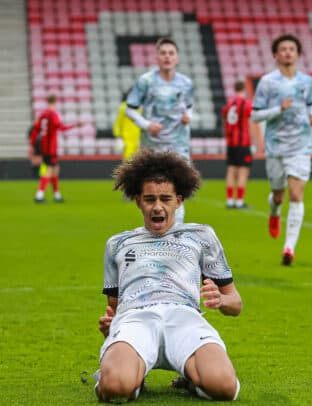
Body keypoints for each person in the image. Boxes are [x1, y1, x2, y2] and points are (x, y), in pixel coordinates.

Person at [95, 150, 242, 403]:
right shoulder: (117, 244)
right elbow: (114, 308)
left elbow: (236, 304)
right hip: (135, 320)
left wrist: (221, 300)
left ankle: (190, 381)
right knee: (116, 387)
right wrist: (111, 328)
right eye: (150, 199)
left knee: (224, 388)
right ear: (138, 200)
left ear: (179, 201)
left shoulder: (201, 236)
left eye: (165, 198)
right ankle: (129, 379)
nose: (158, 207)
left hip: (184, 319)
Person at [251, 33, 312, 265]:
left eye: (292, 48)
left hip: (300, 146)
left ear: (298, 54)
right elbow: (255, 114)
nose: (288, 52)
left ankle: (289, 247)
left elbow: (311, 105)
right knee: (278, 195)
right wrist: (278, 109)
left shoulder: (307, 82)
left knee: (297, 194)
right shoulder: (267, 82)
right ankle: (274, 212)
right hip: (275, 146)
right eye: (283, 49)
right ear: (275, 55)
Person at [124, 37, 194, 223]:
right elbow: (129, 109)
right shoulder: (146, 81)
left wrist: (189, 116)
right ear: (157, 57)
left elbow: (189, 106)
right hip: (152, 146)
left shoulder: (186, 83)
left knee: (177, 190)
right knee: (153, 191)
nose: (167, 57)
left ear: (177, 58)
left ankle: (175, 233)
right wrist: (147, 125)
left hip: (178, 144)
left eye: (171, 53)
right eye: (163, 53)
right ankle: (156, 233)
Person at [30, 95, 82, 203]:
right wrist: (75, 125)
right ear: (54, 102)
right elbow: (61, 127)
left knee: (55, 169)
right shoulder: (53, 114)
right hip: (51, 147)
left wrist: (32, 144)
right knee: (50, 170)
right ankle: (39, 195)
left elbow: (35, 129)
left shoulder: (43, 114)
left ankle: (57, 195)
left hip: (44, 146)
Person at [222, 80, 261, 209]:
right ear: (244, 89)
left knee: (231, 170)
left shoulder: (228, 105)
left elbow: (225, 123)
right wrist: (254, 142)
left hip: (231, 142)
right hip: (243, 142)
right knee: (243, 171)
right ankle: (239, 201)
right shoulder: (247, 104)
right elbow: (251, 123)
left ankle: (229, 200)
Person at [112, 88, 141, 161]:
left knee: (140, 162)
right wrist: (118, 137)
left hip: (139, 139)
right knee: (128, 162)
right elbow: (117, 124)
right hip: (127, 140)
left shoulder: (140, 107)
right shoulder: (123, 107)